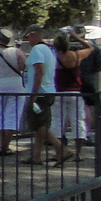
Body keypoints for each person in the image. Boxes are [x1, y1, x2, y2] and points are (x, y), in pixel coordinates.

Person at [22, 25, 69, 165]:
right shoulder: (49, 50)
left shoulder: (37, 50)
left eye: (29, 36)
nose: (28, 39)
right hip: (48, 90)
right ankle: (36, 156)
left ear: (34, 35)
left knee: (40, 126)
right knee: (40, 126)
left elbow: (39, 72)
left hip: (40, 93)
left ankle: (62, 148)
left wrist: (33, 94)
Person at [54, 29, 89, 158]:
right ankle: (78, 153)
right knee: (78, 121)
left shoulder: (55, 57)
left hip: (59, 91)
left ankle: (60, 152)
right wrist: (76, 37)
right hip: (75, 92)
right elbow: (90, 47)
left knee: (57, 121)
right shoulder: (76, 56)